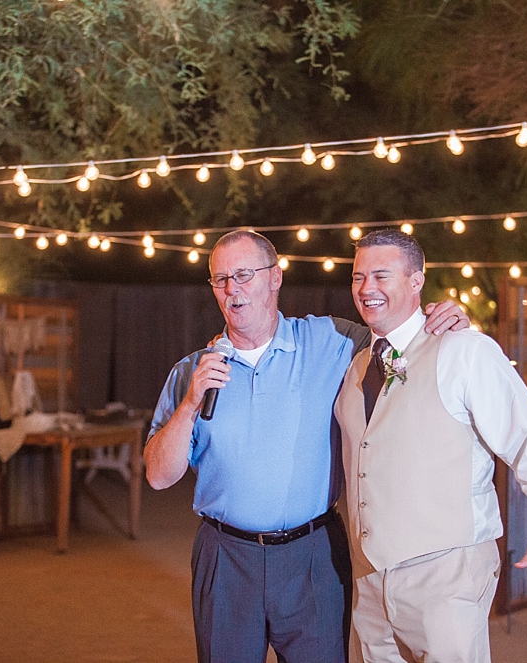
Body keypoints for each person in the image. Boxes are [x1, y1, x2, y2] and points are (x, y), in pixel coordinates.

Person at [144, 230, 468, 663]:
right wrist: (188, 405)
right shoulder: (192, 371)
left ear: (275, 278)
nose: (231, 289)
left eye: (243, 275)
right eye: (220, 279)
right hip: (225, 557)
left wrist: (444, 321)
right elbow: (159, 476)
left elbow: (399, 335)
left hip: (312, 554)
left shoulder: (332, 342)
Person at [333, 230, 527, 663]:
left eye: (381, 275)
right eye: (358, 277)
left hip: (446, 572)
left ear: (416, 282)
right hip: (369, 579)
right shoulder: (355, 364)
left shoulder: (464, 349)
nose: (367, 288)